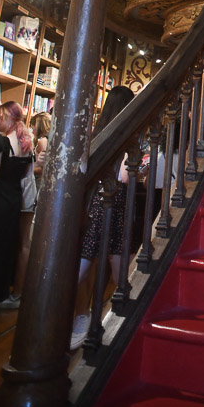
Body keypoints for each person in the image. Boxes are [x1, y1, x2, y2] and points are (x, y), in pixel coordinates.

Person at [71, 85, 135, 351]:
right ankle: (120, 315)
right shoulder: (125, 133)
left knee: (91, 255)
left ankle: (81, 317)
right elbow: (124, 177)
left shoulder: (98, 132)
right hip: (110, 200)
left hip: (94, 199)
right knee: (110, 254)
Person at [0, 102, 34, 309]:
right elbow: (27, 176)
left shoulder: (2, 142)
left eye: (0, 116)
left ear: (8, 118)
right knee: (6, 247)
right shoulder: (26, 144)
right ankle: (1, 294)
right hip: (15, 199)